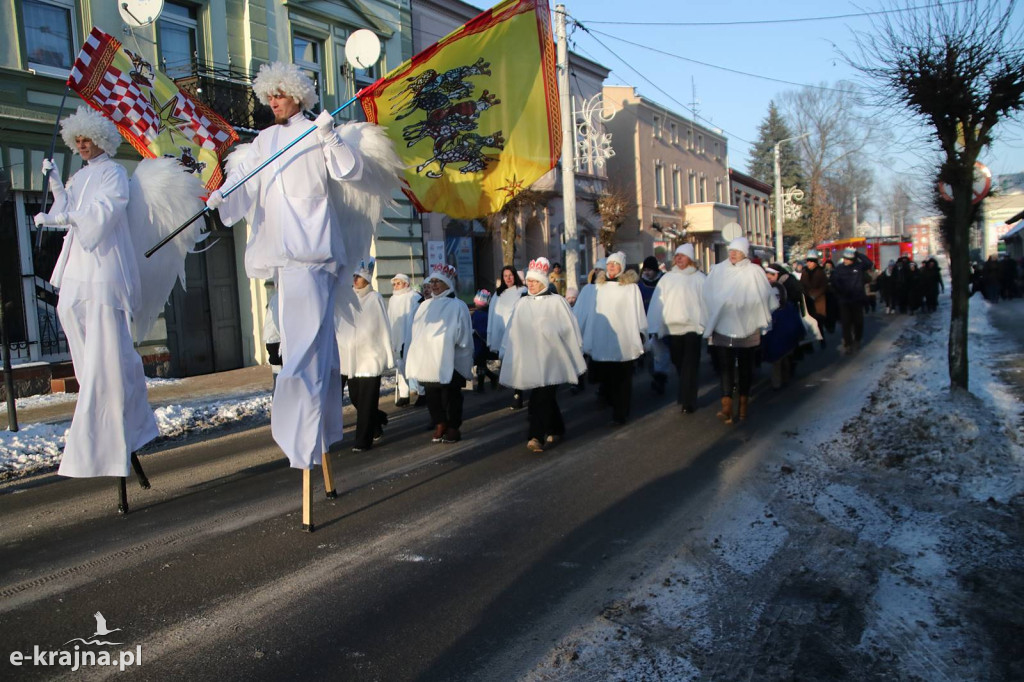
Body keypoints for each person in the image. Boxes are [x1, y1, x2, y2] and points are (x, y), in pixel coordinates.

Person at [208, 61, 365, 470]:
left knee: (309, 351)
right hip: (282, 257)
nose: (274, 102)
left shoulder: (316, 131)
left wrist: (330, 136)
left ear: (298, 95)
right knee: (300, 349)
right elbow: (244, 179)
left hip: (312, 254)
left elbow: (349, 172)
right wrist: (222, 196)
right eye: (270, 96)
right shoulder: (263, 140)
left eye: (281, 94)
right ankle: (310, 433)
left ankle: (305, 432)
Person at [34, 106, 159, 513]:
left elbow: (101, 217)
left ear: (101, 139)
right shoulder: (78, 176)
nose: (82, 145)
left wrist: (67, 212)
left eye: (87, 139)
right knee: (82, 348)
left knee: (108, 358)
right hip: (75, 274)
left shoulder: (113, 174)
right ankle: (108, 423)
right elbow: (64, 216)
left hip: (103, 274)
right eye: (78, 140)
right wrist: (56, 189)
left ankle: (106, 439)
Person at [499, 258, 586, 452]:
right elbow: (512, 330)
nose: (531, 284)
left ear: (543, 282)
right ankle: (557, 427)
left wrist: (574, 349)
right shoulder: (522, 304)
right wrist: (506, 351)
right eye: (529, 280)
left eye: (535, 281)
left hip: (552, 358)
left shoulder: (557, 302)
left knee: (541, 398)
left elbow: (569, 328)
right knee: (542, 396)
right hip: (531, 359)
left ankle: (535, 436)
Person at [702, 237, 777, 423]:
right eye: (731, 250)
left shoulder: (754, 272)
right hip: (722, 326)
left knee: (745, 368)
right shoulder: (718, 271)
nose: (733, 254)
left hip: (748, 328)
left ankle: (743, 404)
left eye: (737, 251)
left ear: (745, 253)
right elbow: (707, 294)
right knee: (725, 367)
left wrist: (748, 308)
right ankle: (726, 406)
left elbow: (765, 296)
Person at [406, 264, 473, 443]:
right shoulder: (425, 306)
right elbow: (417, 331)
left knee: (451, 395)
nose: (434, 285)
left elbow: (464, 334)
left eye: (438, 282)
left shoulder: (457, 305)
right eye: (432, 281)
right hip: (429, 360)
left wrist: (450, 344)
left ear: (448, 284)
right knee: (432, 395)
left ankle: (453, 426)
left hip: (451, 358)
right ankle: (440, 422)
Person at [580, 252, 648, 425]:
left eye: (615, 264)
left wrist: (639, 333)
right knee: (608, 377)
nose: (611, 267)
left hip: (624, 341)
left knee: (623, 379)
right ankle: (611, 401)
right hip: (603, 341)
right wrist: (590, 337)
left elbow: (637, 312)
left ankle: (621, 413)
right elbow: (594, 315)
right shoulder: (599, 287)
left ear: (622, 267)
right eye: (609, 264)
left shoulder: (630, 289)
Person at [336, 260, 393, 452]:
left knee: (367, 400)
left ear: (367, 279)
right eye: (353, 277)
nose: (355, 280)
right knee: (356, 398)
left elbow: (384, 326)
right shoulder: (348, 298)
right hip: (352, 359)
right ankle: (377, 420)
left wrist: (387, 353)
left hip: (370, 357)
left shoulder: (374, 298)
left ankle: (362, 441)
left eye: (358, 277)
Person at [646, 244, 705, 414]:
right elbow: (658, 302)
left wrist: (708, 325)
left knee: (690, 364)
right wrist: (655, 325)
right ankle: (686, 392)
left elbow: (708, 302)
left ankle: (689, 401)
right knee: (678, 362)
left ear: (690, 259)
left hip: (693, 328)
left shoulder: (700, 278)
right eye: (677, 256)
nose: (679, 259)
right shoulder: (668, 278)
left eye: (683, 256)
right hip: (673, 328)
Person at [488, 266, 527, 409]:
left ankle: (518, 393)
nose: (508, 278)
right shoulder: (498, 294)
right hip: (502, 332)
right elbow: (493, 315)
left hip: (516, 333)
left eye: (510, 275)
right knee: (508, 364)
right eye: (505, 276)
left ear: (515, 276)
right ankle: (514, 389)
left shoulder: (522, 291)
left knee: (518, 363)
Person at [638, 255, 672, 394]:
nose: (647, 272)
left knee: (661, 353)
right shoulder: (639, 286)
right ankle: (655, 373)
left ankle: (660, 378)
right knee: (650, 353)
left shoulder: (664, 282)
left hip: (660, 323)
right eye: (645, 270)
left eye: (650, 270)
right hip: (645, 324)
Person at [387, 273, 421, 407]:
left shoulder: (414, 297)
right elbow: (390, 318)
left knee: (414, 366)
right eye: (394, 284)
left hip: (409, 336)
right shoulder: (392, 299)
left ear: (406, 284)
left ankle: (422, 392)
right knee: (400, 368)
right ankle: (404, 394)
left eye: (398, 283)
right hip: (396, 337)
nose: (396, 286)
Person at [831, 247, 869, 354]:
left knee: (858, 322)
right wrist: (840, 292)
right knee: (846, 323)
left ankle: (857, 339)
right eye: (845, 258)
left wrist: (858, 254)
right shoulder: (839, 268)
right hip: (844, 300)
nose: (846, 260)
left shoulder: (859, 267)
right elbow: (835, 282)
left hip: (857, 299)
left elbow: (868, 263)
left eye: (849, 259)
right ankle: (848, 344)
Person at [471, 289, 499, 392]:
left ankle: (481, 385)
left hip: (480, 343)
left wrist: (475, 331)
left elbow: (483, 330)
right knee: (480, 364)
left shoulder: (478, 315)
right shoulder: (484, 315)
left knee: (480, 363)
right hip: (480, 343)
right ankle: (489, 379)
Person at [800, 250, 829, 347]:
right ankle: (809, 343)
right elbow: (801, 284)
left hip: (818, 300)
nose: (809, 263)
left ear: (815, 262)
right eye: (808, 261)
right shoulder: (804, 272)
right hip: (807, 300)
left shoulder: (820, 272)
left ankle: (822, 340)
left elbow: (824, 286)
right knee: (809, 321)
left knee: (819, 321)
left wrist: (815, 294)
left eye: (811, 261)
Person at [263, 278, 282, 390]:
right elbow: (278, 322)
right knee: (279, 375)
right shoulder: (278, 299)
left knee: (278, 374)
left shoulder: (276, 298)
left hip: (274, 340)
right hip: (276, 341)